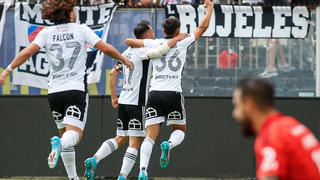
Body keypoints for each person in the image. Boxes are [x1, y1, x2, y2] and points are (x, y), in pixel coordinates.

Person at [0, 0, 133, 179]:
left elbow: (26, 53)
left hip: (54, 93)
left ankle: (72, 177)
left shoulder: (46, 33)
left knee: (65, 134)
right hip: (75, 90)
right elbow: (105, 48)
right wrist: (123, 60)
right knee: (75, 135)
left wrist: (6, 71)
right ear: (69, 13)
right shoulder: (81, 29)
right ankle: (59, 146)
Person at [83, 21, 187, 180]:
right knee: (134, 143)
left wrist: (113, 97)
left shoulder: (126, 53)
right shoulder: (145, 51)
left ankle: (94, 159)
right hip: (138, 103)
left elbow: (112, 74)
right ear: (146, 35)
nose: (153, 35)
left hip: (124, 100)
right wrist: (178, 39)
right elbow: (163, 50)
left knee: (120, 138)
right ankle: (122, 176)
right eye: (151, 32)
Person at [125, 0, 214, 179]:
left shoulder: (154, 43)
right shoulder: (183, 41)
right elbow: (203, 27)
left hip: (154, 94)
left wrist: (160, 43)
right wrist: (210, 8)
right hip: (173, 93)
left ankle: (143, 170)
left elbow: (129, 41)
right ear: (178, 29)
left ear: (164, 30)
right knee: (180, 129)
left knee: (149, 137)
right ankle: (169, 145)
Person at [232, 77, 320, 180]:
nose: (235, 114)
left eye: (237, 106)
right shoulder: (289, 125)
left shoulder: (271, 135)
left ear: (249, 105)